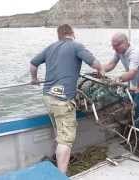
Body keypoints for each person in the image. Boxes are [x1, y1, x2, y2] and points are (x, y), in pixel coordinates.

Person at [30, 24, 103, 174]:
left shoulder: (50, 47)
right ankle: (61, 174)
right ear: (72, 33)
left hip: (47, 97)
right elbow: (94, 63)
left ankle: (59, 162)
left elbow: (33, 64)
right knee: (66, 140)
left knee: (60, 131)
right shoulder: (76, 46)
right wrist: (101, 70)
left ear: (59, 35)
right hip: (62, 101)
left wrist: (34, 78)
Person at [103, 32, 139, 130]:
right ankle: (132, 128)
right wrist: (101, 70)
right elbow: (111, 64)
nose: (114, 48)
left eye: (116, 46)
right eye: (113, 46)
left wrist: (118, 79)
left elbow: (132, 73)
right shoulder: (119, 52)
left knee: (137, 113)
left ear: (125, 43)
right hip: (133, 85)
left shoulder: (135, 53)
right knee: (127, 108)